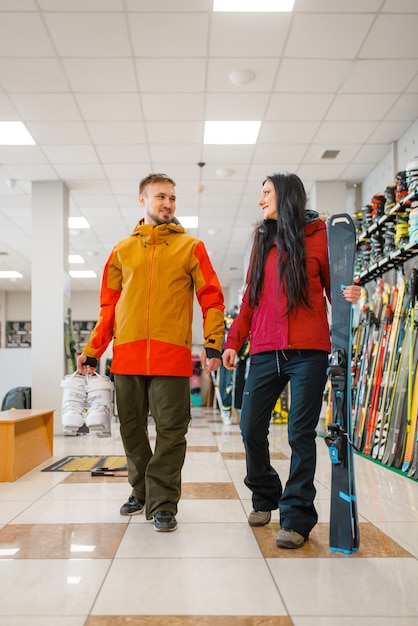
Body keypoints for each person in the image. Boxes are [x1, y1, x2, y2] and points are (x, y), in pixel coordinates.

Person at [77, 173, 225, 532]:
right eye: (161, 197)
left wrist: (213, 343)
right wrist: (93, 349)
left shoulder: (191, 247)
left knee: (172, 431)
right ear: (142, 200)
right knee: (130, 429)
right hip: (126, 356)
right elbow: (108, 307)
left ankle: (162, 503)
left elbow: (212, 297)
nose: (168, 204)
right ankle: (141, 489)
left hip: (170, 357)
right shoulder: (121, 250)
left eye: (172, 198)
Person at [222, 172, 361, 549]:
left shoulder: (318, 237)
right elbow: (251, 298)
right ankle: (265, 494)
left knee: (301, 435)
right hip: (266, 350)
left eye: (265, 193)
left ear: (285, 196)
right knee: (251, 427)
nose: (259, 200)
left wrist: (352, 295)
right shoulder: (262, 241)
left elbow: (337, 288)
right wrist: (233, 341)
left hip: (308, 353)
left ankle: (297, 515)